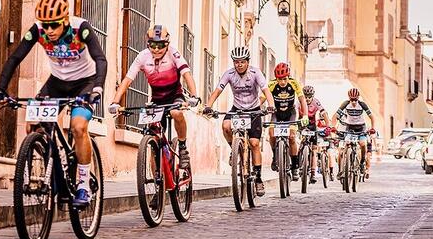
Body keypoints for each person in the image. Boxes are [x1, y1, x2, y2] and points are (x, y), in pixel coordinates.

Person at [0, 0, 107, 207]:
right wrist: (1, 89)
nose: (49, 31)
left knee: (78, 127)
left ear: (64, 20)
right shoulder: (38, 30)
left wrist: (98, 88)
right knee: (33, 128)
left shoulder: (80, 28)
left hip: (85, 83)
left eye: (54, 25)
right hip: (57, 83)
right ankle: (53, 177)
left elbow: (100, 58)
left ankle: (83, 185)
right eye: (46, 26)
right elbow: (15, 57)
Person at [108, 25, 199, 169]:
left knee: (176, 113)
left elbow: (186, 74)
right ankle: (157, 178)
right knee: (153, 135)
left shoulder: (173, 53)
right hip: (157, 100)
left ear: (167, 44)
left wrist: (194, 96)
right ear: (148, 44)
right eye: (152, 45)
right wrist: (115, 102)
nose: (156, 49)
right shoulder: (143, 56)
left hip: (175, 96)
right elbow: (127, 80)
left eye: (160, 45)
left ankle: (182, 146)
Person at [202, 46, 274, 196]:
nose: (239, 64)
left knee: (254, 143)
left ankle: (258, 179)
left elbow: (265, 90)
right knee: (226, 126)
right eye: (236, 62)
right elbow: (217, 90)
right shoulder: (229, 74)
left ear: (247, 62)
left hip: (254, 109)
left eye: (242, 62)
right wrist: (208, 105)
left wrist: (271, 106)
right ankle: (234, 149)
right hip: (237, 108)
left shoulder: (255, 73)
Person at [262, 63, 308, 181]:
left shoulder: (294, 83)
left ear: (288, 77)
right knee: (271, 134)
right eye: (280, 79)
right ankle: (275, 156)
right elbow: (261, 99)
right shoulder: (271, 85)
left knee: (292, 137)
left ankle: (295, 166)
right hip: (276, 113)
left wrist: (305, 115)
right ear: (276, 79)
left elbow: (302, 100)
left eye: (285, 79)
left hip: (290, 114)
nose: (282, 82)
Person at [332, 88, 375, 179]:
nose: (354, 102)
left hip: (361, 127)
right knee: (346, 145)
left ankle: (362, 162)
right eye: (352, 99)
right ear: (349, 98)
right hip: (349, 127)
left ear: (358, 98)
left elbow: (372, 117)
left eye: (355, 99)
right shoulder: (346, 104)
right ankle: (342, 168)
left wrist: (372, 128)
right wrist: (333, 127)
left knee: (363, 144)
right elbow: (335, 116)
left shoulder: (362, 104)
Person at [302, 84, 327, 183]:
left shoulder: (316, 101)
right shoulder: (300, 101)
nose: (307, 99)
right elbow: (293, 112)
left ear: (312, 96)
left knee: (314, 150)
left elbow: (324, 112)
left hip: (312, 125)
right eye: (305, 96)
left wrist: (328, 125)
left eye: (309, 97)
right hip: (301, 124)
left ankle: (312, 173)